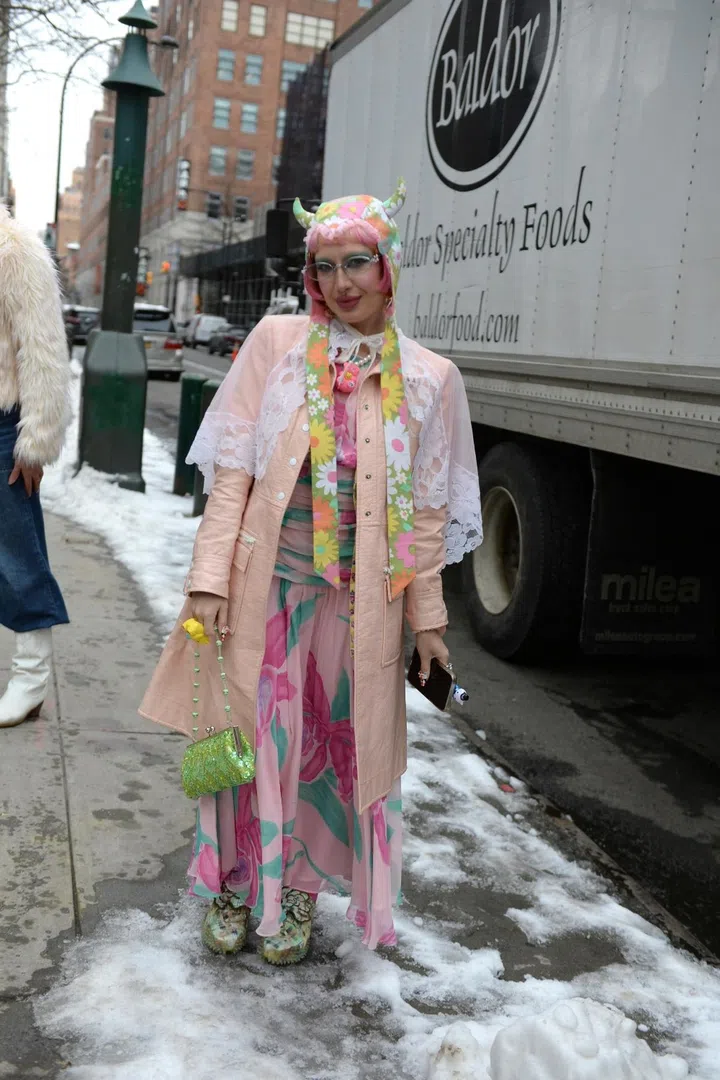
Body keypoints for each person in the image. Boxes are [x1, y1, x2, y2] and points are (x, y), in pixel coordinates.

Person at [140, 181, 482, 963]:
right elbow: (232, 476)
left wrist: (428, 624)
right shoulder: (277, 348)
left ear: (387, 266)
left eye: (357, 262)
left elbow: (423, 522)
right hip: (269, 593)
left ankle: (296, 893)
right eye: (325, 267)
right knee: (251, 744)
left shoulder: (430, 381)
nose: (342, 283)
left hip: (358, 611)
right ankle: (233, 882)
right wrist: (209, 580)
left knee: (329, 755)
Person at [0, 204, 71, 728]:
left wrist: (35, 442)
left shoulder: (15, 249)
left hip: (4, 426)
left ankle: (30, 678)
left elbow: (44, 349)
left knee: (18, 556)